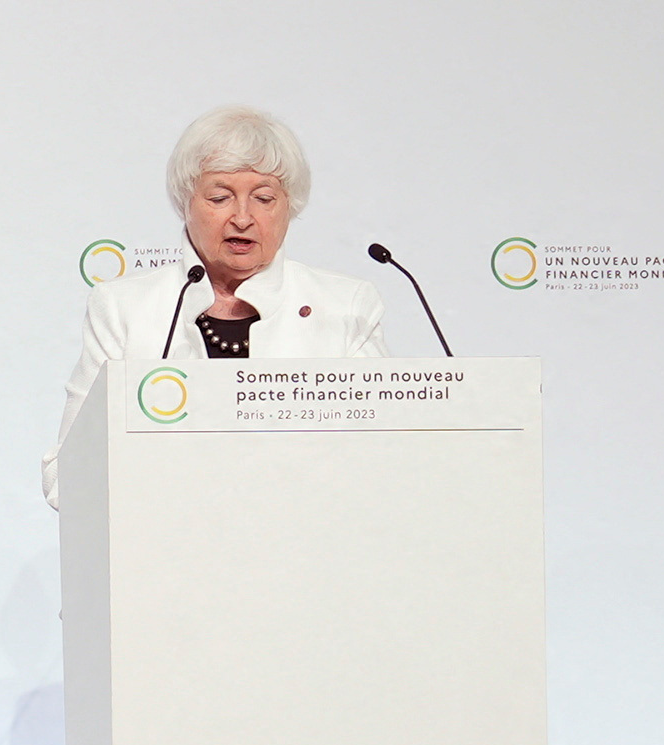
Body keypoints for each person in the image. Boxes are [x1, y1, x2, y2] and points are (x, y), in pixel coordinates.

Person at [42, 105, 404, 501]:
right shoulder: (123, 307)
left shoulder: (345, 306)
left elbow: (383, 454)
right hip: (169, 544)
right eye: (220, 197)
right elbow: (67, 474)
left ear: (290, 207)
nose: (243, 218)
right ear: (186, 203)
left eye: (264, 198)